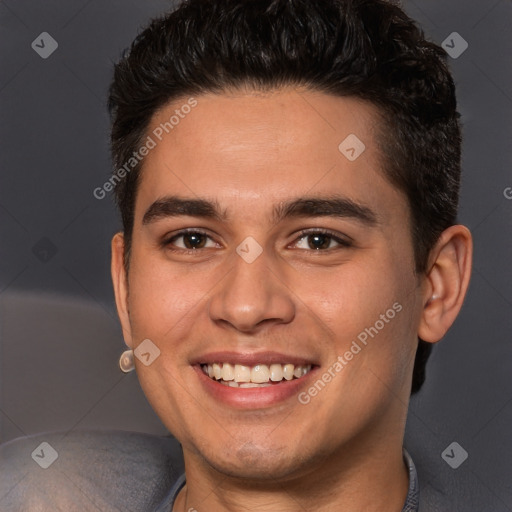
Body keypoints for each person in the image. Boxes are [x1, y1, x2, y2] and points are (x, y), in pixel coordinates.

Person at [0, 0, 473, 510]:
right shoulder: (36, 493)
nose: (246, 306)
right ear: (124, 284)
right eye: (193, 239)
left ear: (437, 285)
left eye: (318, 240)